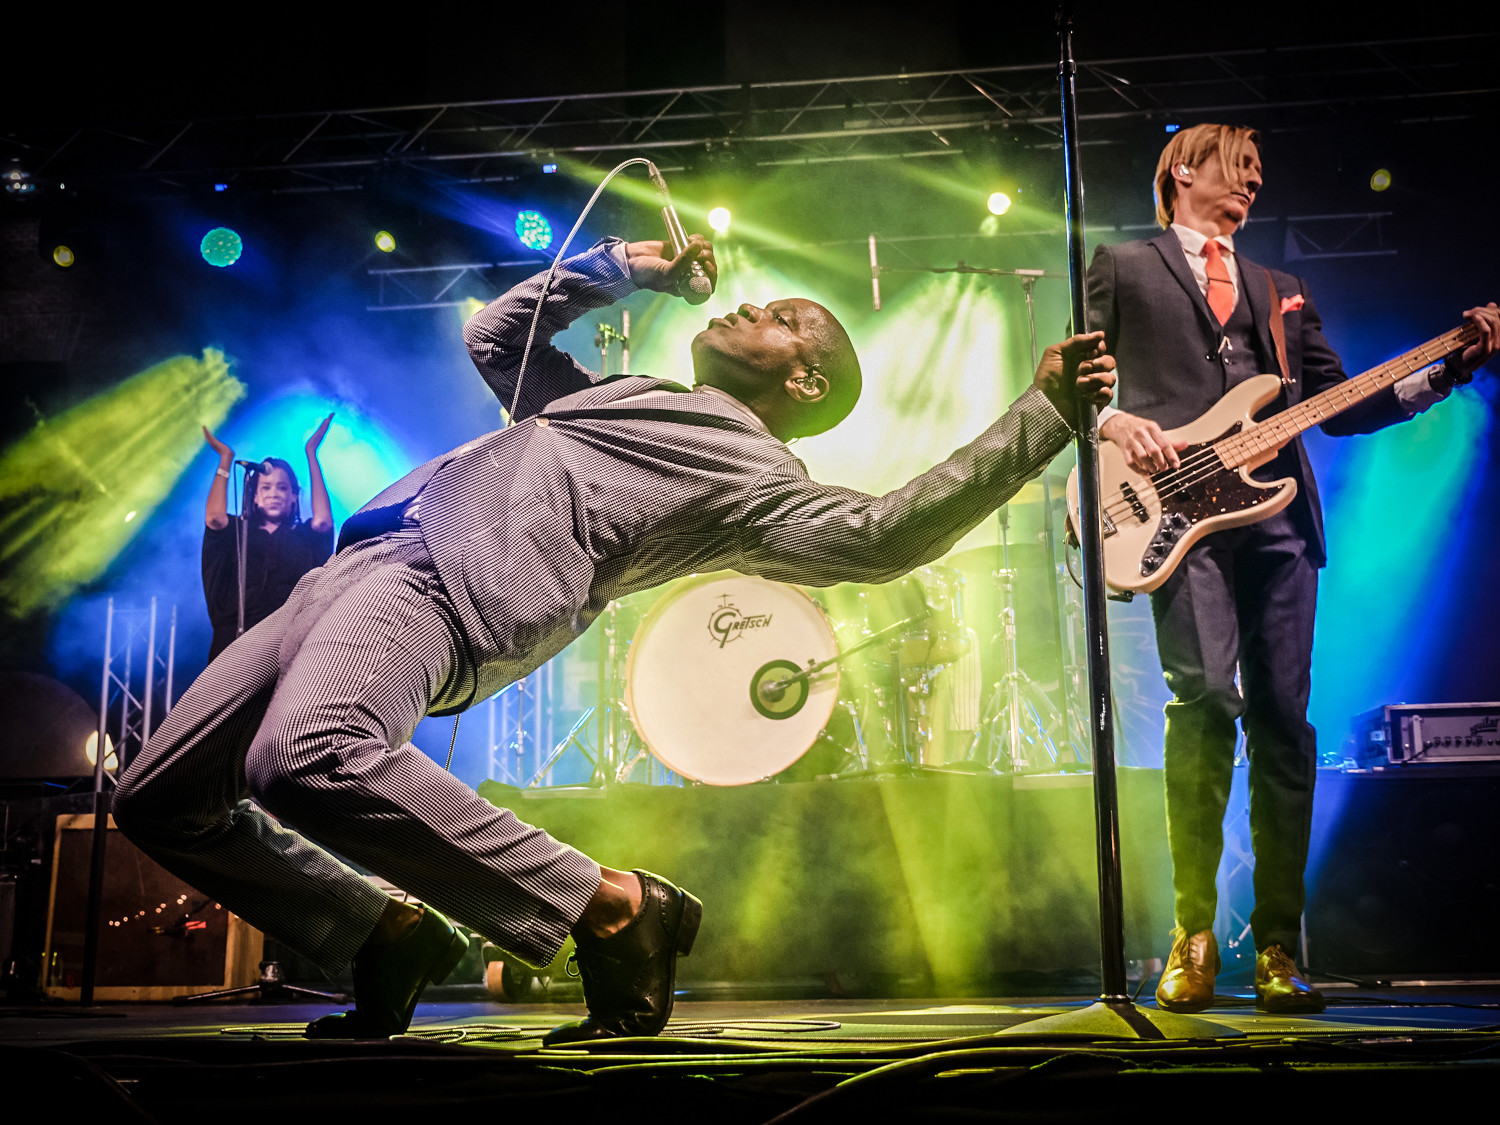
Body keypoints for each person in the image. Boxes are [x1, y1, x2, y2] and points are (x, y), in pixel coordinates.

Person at [114, 233, 1116, 1043]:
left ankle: (616, 907)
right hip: (352, 566)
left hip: (447, 588)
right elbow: (494, 336)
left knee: (306, 757)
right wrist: (624, 269)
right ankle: (376, 930)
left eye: (781, 321)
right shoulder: (617, 396)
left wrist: (1041, 416)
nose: (750, 308)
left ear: (804, 384)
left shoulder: (751, 474)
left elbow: (881, 534)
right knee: (159, 799)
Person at [1086, 123, 1499, 1013]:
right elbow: (1078, 383)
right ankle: (1192, 933)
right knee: (1207, 698)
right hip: (1170, 517)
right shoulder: (1121, 265)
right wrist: (1114, 426)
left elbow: (1342, 404)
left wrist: (1448, 369)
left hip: (1277, 522)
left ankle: (1278, 943)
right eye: (1239, 170)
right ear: (1185, 170)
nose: (1252, 187)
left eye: (1261, 176)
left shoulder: (1283, 289)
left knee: (1283, 718)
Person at [201, 416, 336, 660]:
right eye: (266, 487)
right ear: (254, 496)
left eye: (282, 487)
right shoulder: (238, 533)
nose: (274, 493)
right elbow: (214, 519)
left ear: (294, 496)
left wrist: (311, 454)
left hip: (285, 644)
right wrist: (225, 460)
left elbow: (324, 521)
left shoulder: (305, 537)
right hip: (232, 643)